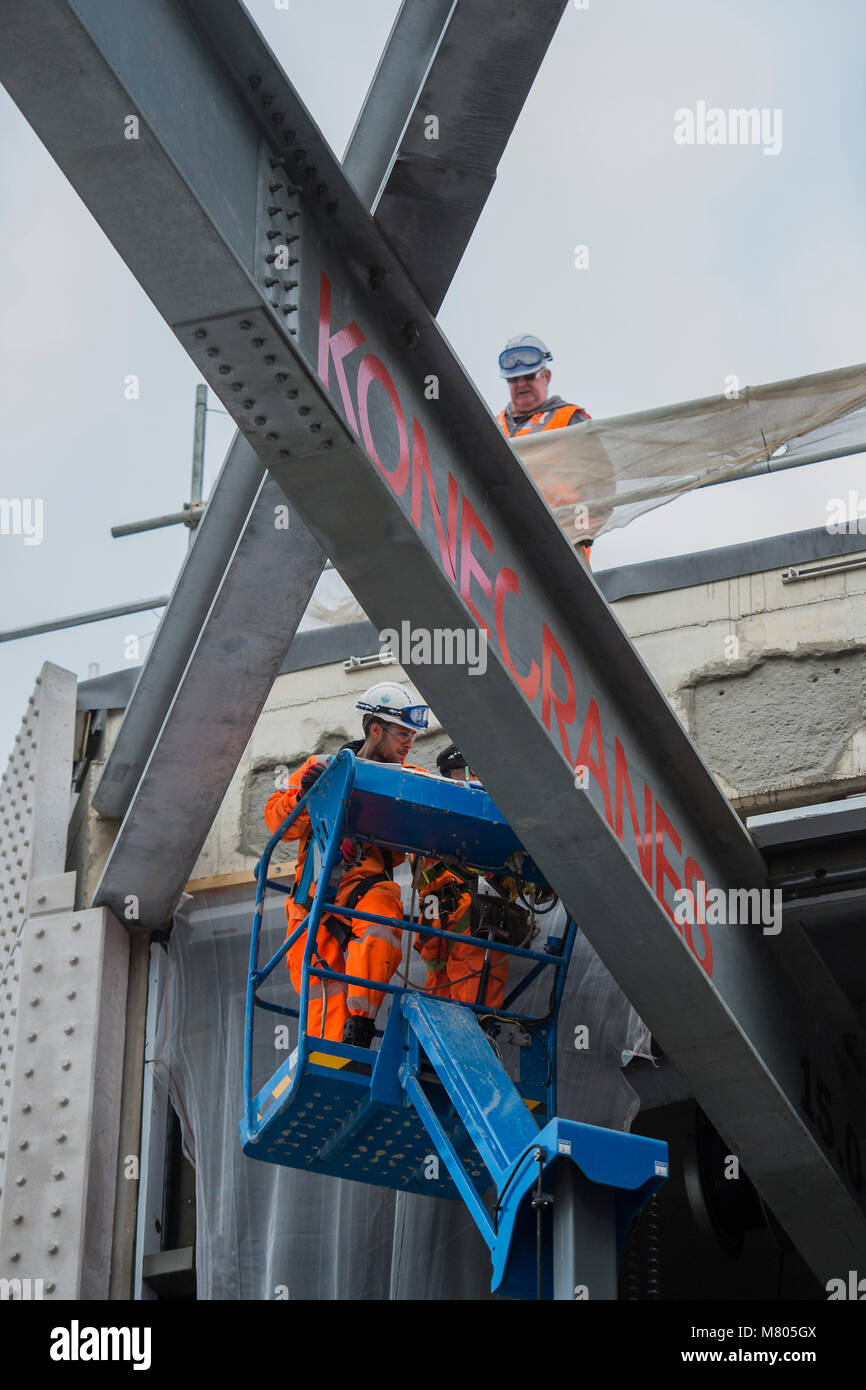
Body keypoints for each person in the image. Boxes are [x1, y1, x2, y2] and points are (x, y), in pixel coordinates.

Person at [264, 681, 430, 1048]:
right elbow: (277, 824)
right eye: (403, 733)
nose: (410, 743)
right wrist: (307, 797)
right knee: (323, 987)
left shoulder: (410, 779)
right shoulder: (323, 768)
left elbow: (436, 824)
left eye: (412, 735)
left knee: (381, 923)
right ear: (376, 729)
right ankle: (326, 1055)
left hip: (365, 883)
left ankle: (359, 1032)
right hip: (311, 896)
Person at [415, 745, 516, 1011]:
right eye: (457, 777)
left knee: (471, 1011)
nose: (464, 784)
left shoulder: (499, 814)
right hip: (438, 929)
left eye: (465, 776)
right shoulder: (435, 815)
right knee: (440, 1009)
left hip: (477, 922)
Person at [496, 333, 596, 565]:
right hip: (504, 543)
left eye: (529, 376)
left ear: (546, 376)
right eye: (513, 379)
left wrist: (584, 530)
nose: (521, 384)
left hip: (561, 541)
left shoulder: (568, 418)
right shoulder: (494, 425)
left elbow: (600, 479)